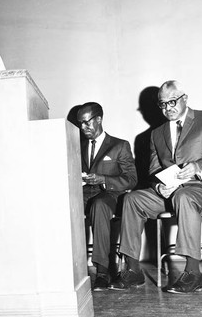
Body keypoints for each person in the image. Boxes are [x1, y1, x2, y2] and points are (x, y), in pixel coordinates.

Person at [110, 80, 202, 293]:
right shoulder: (156, 134)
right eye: (163, 104)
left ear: (185, 98)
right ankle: (132, 270)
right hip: (175, 191)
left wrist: (198, 166)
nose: (168, 108)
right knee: (132, 199)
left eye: (172, 102)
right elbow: (153, 171)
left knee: (184, 196)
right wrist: (159, 187)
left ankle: (193, 273)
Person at [77, 102, 137, 291]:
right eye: (80, 124)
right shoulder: (77, 147)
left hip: (110, 195)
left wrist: (103, 179)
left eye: (87, 123)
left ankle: (102, 273)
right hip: (84, 195)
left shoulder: (119, 146)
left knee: (100, 206)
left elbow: (131, 179)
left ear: (99, 119)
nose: (83, 128)